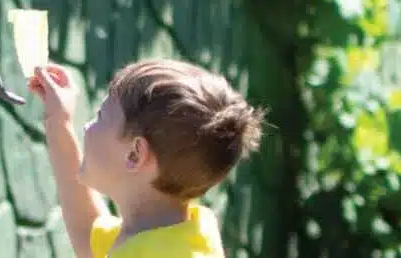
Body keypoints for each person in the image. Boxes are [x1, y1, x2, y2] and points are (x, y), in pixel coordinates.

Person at [28, 58, 265, 257]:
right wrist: (58, 123)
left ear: (134, 154)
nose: (88, 127)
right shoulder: (185, 230)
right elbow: (88, 234)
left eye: (100, 117)